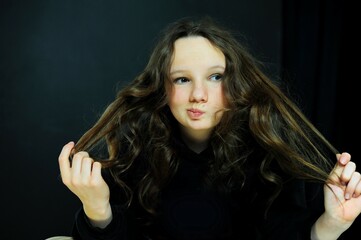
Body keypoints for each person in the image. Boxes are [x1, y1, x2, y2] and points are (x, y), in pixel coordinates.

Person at [58, 16, 361, 240]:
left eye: (215, 77)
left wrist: (332, 224)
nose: (199, 94)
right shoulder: (136, 150)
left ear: (235, 83)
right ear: (162, 88)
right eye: (182, 79)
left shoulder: (267, 156)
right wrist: (96, 207)